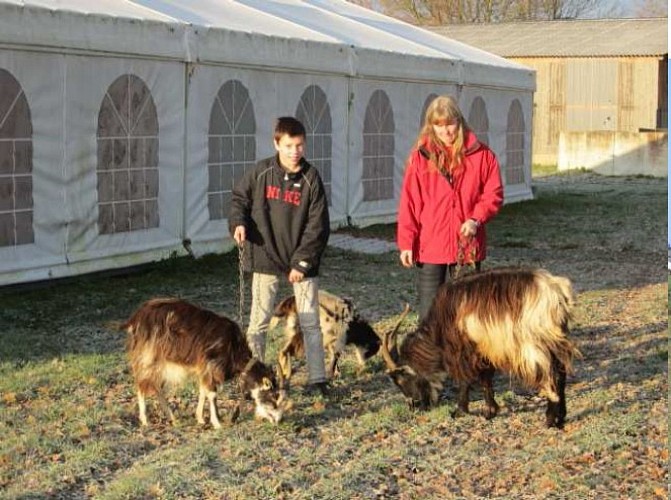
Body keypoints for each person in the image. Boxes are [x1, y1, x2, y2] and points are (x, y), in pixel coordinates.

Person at [229, 116, 330, 395]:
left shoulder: (311, 179)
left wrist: (302, 262)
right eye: (288, 145)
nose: (294, 151)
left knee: (310, 323)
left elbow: (318, 226)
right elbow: (239, 198)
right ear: (276, 143)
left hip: (300, 261)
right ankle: (254, 378)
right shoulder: (261, 172)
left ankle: (318, 379)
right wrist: (238, 223)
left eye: (299, 145)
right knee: (258, 323)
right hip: (265, 256)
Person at [397, 95, 503, 320]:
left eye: (450, 124)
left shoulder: (482, 155)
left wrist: (476, 219)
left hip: (467, 245)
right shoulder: (420, 158)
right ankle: (432, 355)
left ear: (460, 121)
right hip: (431, 245)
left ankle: (464, 355)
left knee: (466, 313)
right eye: (439, 126)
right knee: (430, 314)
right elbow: (410, 202)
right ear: (431, 126)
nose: (446, 132)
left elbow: (493, 194)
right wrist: (407, 243)